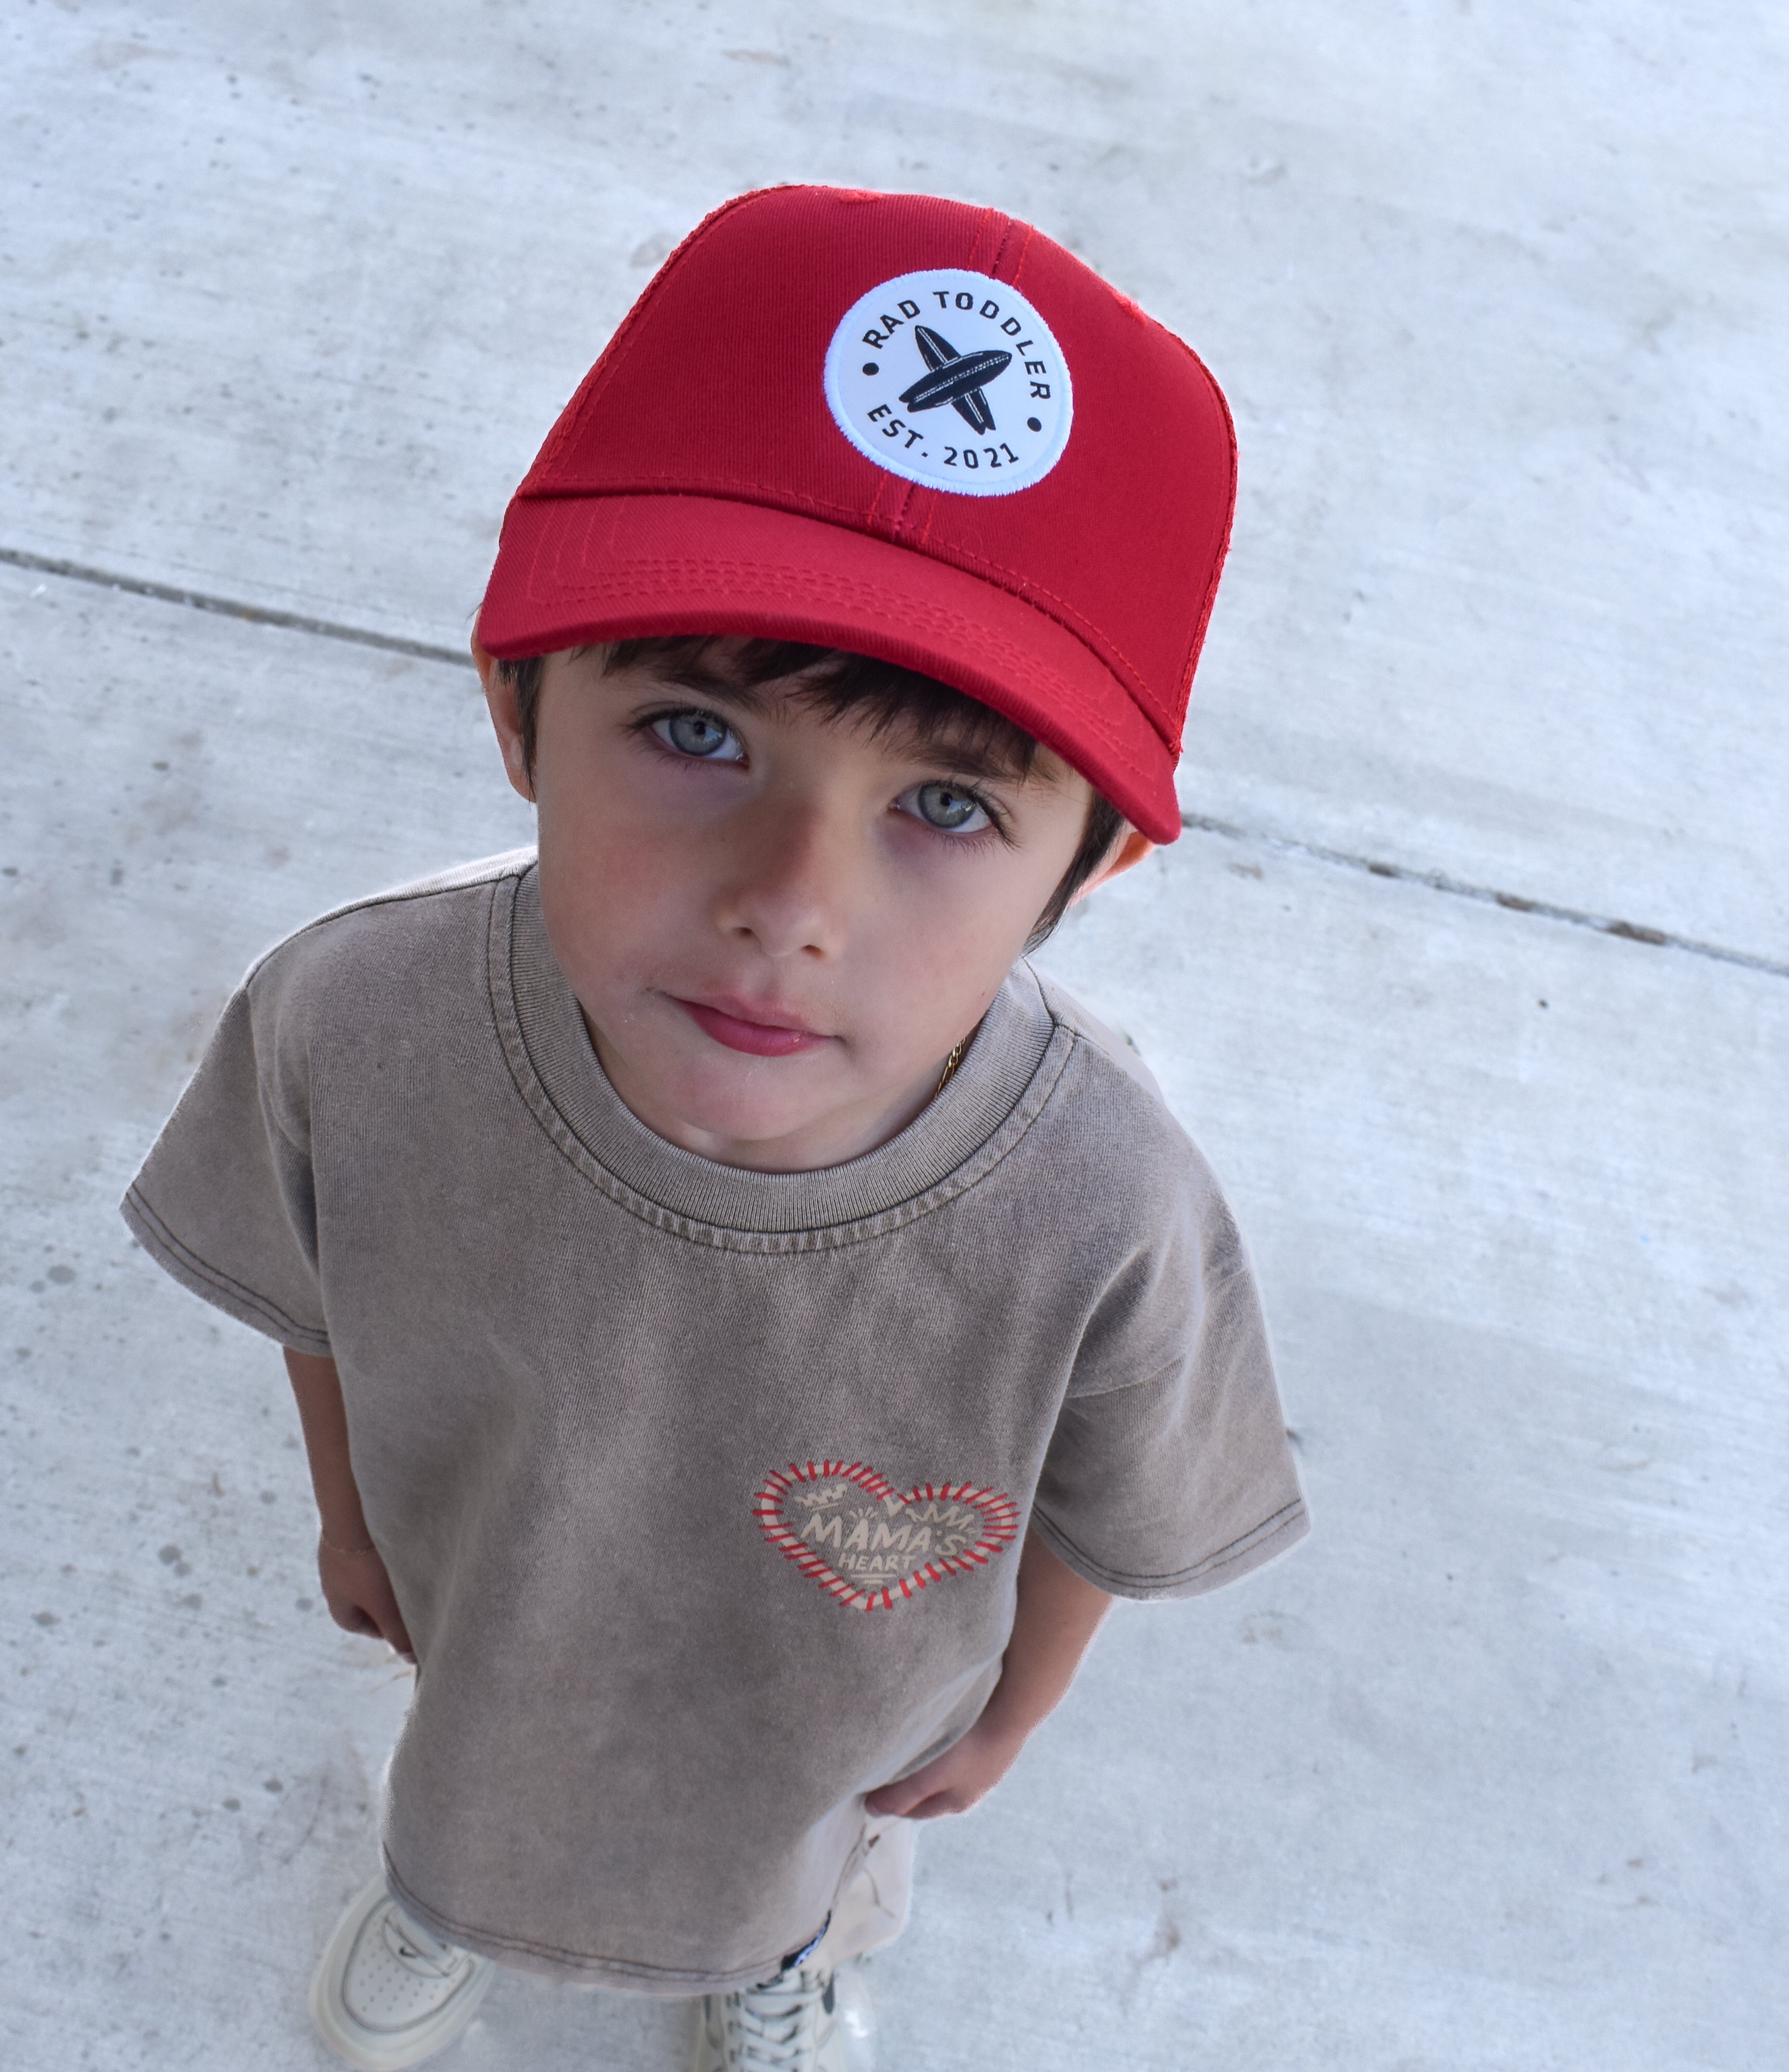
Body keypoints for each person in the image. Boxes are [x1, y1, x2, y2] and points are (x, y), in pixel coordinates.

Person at [122, 184, 1309, 2071]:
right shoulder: (355, 1018)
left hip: (832, 1721)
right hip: (489, 1620)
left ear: (1092, 870)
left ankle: (781, 1957)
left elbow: (1106, 1496)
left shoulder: (1107, 1204)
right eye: (696, 735)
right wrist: (351, 1518)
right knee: (468, 1772)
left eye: (947, 807)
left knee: (807, 1849)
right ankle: (445, 1899)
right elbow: (314, 1283)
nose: (791, 901)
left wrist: (1012, 1710)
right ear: (519, 707)